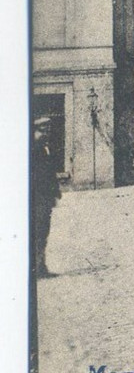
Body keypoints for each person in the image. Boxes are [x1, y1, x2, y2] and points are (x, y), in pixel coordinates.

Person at [32, 117, 61, 278]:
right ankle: (37, 269)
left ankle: (40, 267)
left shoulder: (44, 146)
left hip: (45, 195)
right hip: (39, 196)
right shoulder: (36, 146)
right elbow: (39, 174)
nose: (48, 130)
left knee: (43, 231)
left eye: (49, 127)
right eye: (45, 128)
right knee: (39, 231)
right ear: (38, 129)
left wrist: (55, 192)